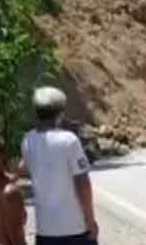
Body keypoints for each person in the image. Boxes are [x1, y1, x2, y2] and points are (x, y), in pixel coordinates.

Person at [21, 86, 98, 245]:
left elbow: (26, 169)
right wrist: (90, 219)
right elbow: (82, 183)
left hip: (45, 229)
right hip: (75, 228)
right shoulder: (69, 140)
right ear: (60, 113)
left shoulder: (28, 140)